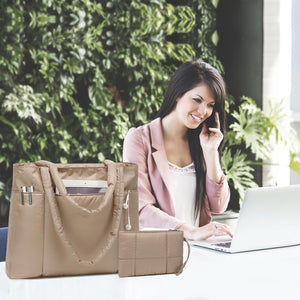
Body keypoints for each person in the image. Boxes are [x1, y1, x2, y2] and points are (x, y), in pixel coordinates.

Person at [123, 60, 233, 240]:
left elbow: (219, 206)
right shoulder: (139, 139)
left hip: (201, 251)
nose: (203, 111)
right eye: (197, 100)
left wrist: (211, 153)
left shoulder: (202, 142)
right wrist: (189, 231)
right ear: (177, 94)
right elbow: (139, 208)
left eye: (211, 105)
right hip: (160, 251)